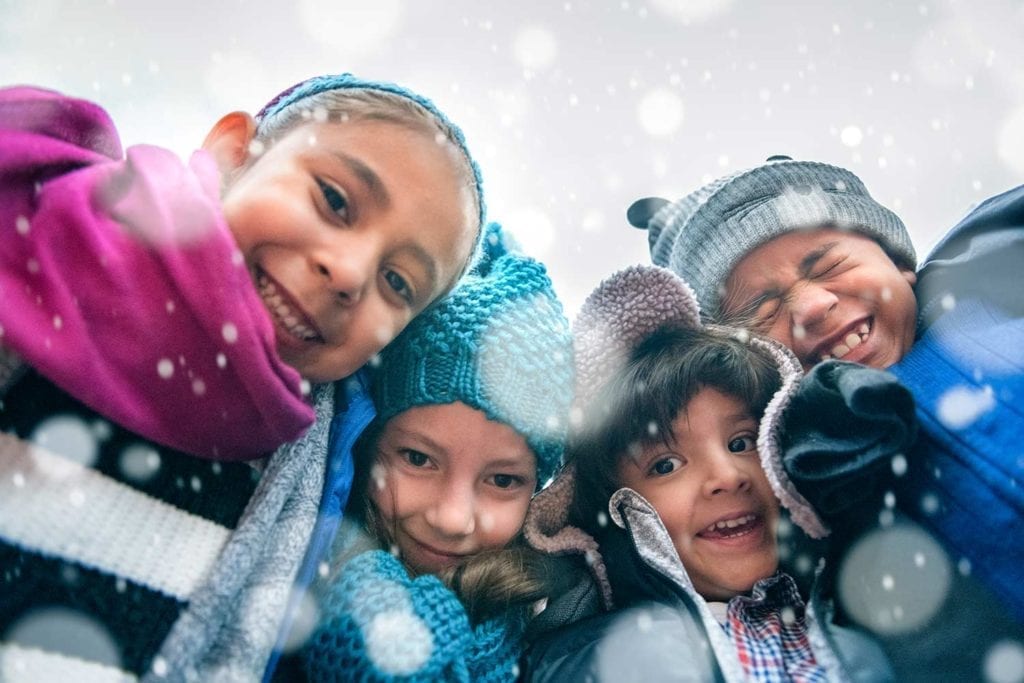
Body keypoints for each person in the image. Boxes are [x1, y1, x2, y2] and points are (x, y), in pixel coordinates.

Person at [0, 73, 484, 681]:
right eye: (334, 200)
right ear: (235, 152)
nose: (350, 273)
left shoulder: (307, 472)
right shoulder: (35, 250)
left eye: (398, 283)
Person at [628, 157, 1024, 676]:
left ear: (897, 260)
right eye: (763, 309)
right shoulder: (810, 483)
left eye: (830, 266)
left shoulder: (1000, 301)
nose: (813, 306)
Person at [521, 265, 897, 682]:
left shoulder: (866, 606)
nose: (727, 476)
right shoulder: (580, 659)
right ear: (614, 513)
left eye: (741, 442)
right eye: (666, 465)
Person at [294, 224, 574, 681]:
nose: (451, 518)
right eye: (418, 459)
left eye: (503, 480)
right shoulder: (288, 561)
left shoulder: (553, 626)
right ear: (369, 442)